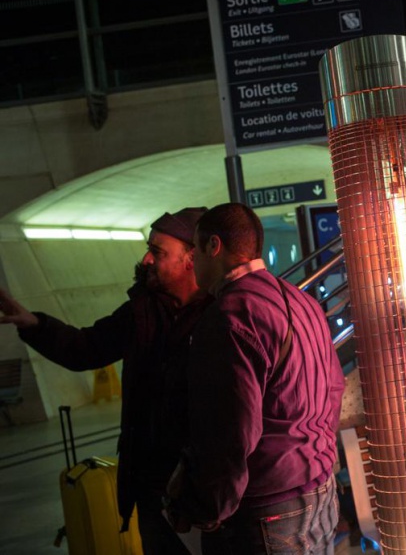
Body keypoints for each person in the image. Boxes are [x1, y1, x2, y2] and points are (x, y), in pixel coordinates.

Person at [0, 207, 210, 555]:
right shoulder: (143, 310)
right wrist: (34, 324)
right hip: (151, 487)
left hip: (201, 488)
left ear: (191, 258)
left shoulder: (221, 315)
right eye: (149, 248)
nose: (145, 259)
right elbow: (87, 348)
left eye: (157, 252)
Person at [165, 203, 345, 555]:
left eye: (194, 252)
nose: (192, 264)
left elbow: (231, 433)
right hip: (319, 490)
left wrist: (208, 507)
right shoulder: (301, 300)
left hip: (268, 510)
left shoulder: (230, 317)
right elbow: (334, 388)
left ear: (213, 247)